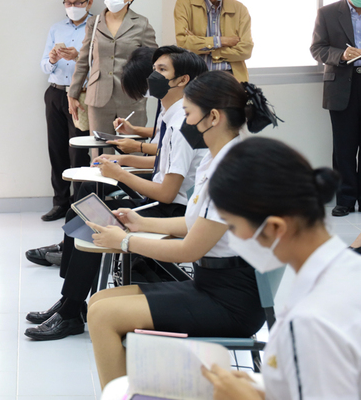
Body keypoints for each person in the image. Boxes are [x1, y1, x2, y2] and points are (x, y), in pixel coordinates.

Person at [86, 71, 279, 389]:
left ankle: (122, 395)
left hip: (231, 301)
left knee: (103, 316)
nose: (184, 122)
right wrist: (141, 223)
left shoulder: (231, 171)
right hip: (212, 285)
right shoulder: (217, 160)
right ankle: (130, 391)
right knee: (98, 303)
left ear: (213, 117)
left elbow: (190, 249)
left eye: (188, 114)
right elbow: (197, 224)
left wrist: (126, 241)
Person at [24, 47, 208, 341]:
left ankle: (71, 310)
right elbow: (164, 164)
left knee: (91, 221)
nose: (153, 75)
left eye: (162, 70)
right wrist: (122, 162)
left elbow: (167, 193)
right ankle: (70, 302)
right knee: (83, 208)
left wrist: (120, 173)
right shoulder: (173, 114)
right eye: (154, 69)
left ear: (183, 80)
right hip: (164, 202)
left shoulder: (184, 122)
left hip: (173, 211)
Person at [201, 137, 361, 400]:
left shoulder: (311, 323)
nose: (232, 237)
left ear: (275, 227)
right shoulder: (346, 269)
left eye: (232, 226)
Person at [25, 46, 155, 268]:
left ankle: (71, 253)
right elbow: (164, 140)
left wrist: (128, 159)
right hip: (154, 175)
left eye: (162, 69)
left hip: (160, 194)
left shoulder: (184, 110)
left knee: (90, 194)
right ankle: (70, 250)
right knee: (86, 192)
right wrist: (136, 134)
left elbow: (166, 172)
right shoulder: (173, 107)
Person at [68, 0, 157, 150]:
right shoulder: (94, 22)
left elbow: (153, 61)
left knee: (133, 150)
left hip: (131, 97)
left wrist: (148, 89)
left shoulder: (141, 24)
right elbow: (83, 60)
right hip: (98, 96)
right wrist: (72, 93)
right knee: (99, 152)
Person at [38, 0, 95, 223]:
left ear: (89, 2)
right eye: (68, 2)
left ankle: (80, 207)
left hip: (81, 95)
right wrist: (52, 59)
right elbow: (43, 65)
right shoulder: (56, 28)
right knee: (57, 150)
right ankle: (60, 203)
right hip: (55, 93)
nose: (72, 7)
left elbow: (102, 66)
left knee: (79, 153)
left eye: (78, 2)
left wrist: (78, 56)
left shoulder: (98, 27)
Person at [310, 0, 361, 217]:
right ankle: (345, 199)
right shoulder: (328, 13)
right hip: (342, 84)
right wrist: (341, 54)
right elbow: (317, 49)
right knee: (344, 146)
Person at [175, 0, 254, 82]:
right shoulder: (185, 4)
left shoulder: (240, 9)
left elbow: (246, 50)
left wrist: (208, 48)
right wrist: (222, 41)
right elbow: (183, 42)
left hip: (231, 78)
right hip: (196, 77)